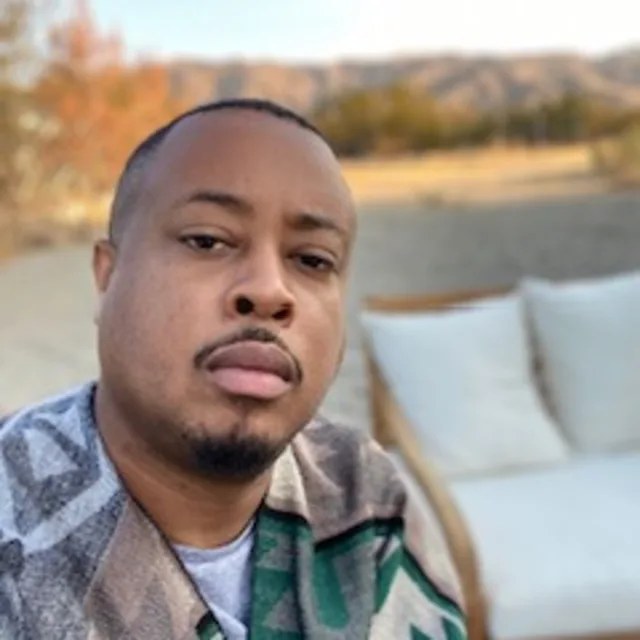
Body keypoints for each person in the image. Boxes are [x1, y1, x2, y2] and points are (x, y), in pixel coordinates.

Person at [0, 98, 466, 639]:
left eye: (313, 260)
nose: (270, 291)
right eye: (207, 240)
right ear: (108, 277)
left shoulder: (366, 498)